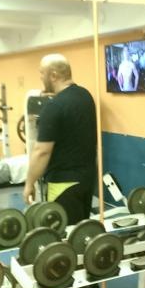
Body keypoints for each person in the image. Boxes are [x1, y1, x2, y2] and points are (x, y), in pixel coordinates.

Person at [24, 54, 97, 225]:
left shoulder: (54, 106)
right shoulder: (85, 96)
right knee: (81, 231)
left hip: (63, 184)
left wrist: (29, 183)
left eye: (42, 73)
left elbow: (42, 152)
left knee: (63, 233)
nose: (40, 78)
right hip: (86, 180)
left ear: (54, 75)